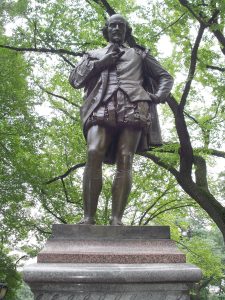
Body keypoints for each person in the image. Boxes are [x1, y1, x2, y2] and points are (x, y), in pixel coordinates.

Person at [69, 14, 174, 225]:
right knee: (93, 151)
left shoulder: (139, 54)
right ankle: (89, 217)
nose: (117, 28)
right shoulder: (93, 55)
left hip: (134, 106)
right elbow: (75, 80)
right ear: (106, 30)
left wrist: (158, 96)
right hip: (101, 105)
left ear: (127, 30)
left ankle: (116, 219)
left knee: (125, 158)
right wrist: (100, 64)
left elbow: (165, 76)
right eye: (112, 25)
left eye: (121, 26)